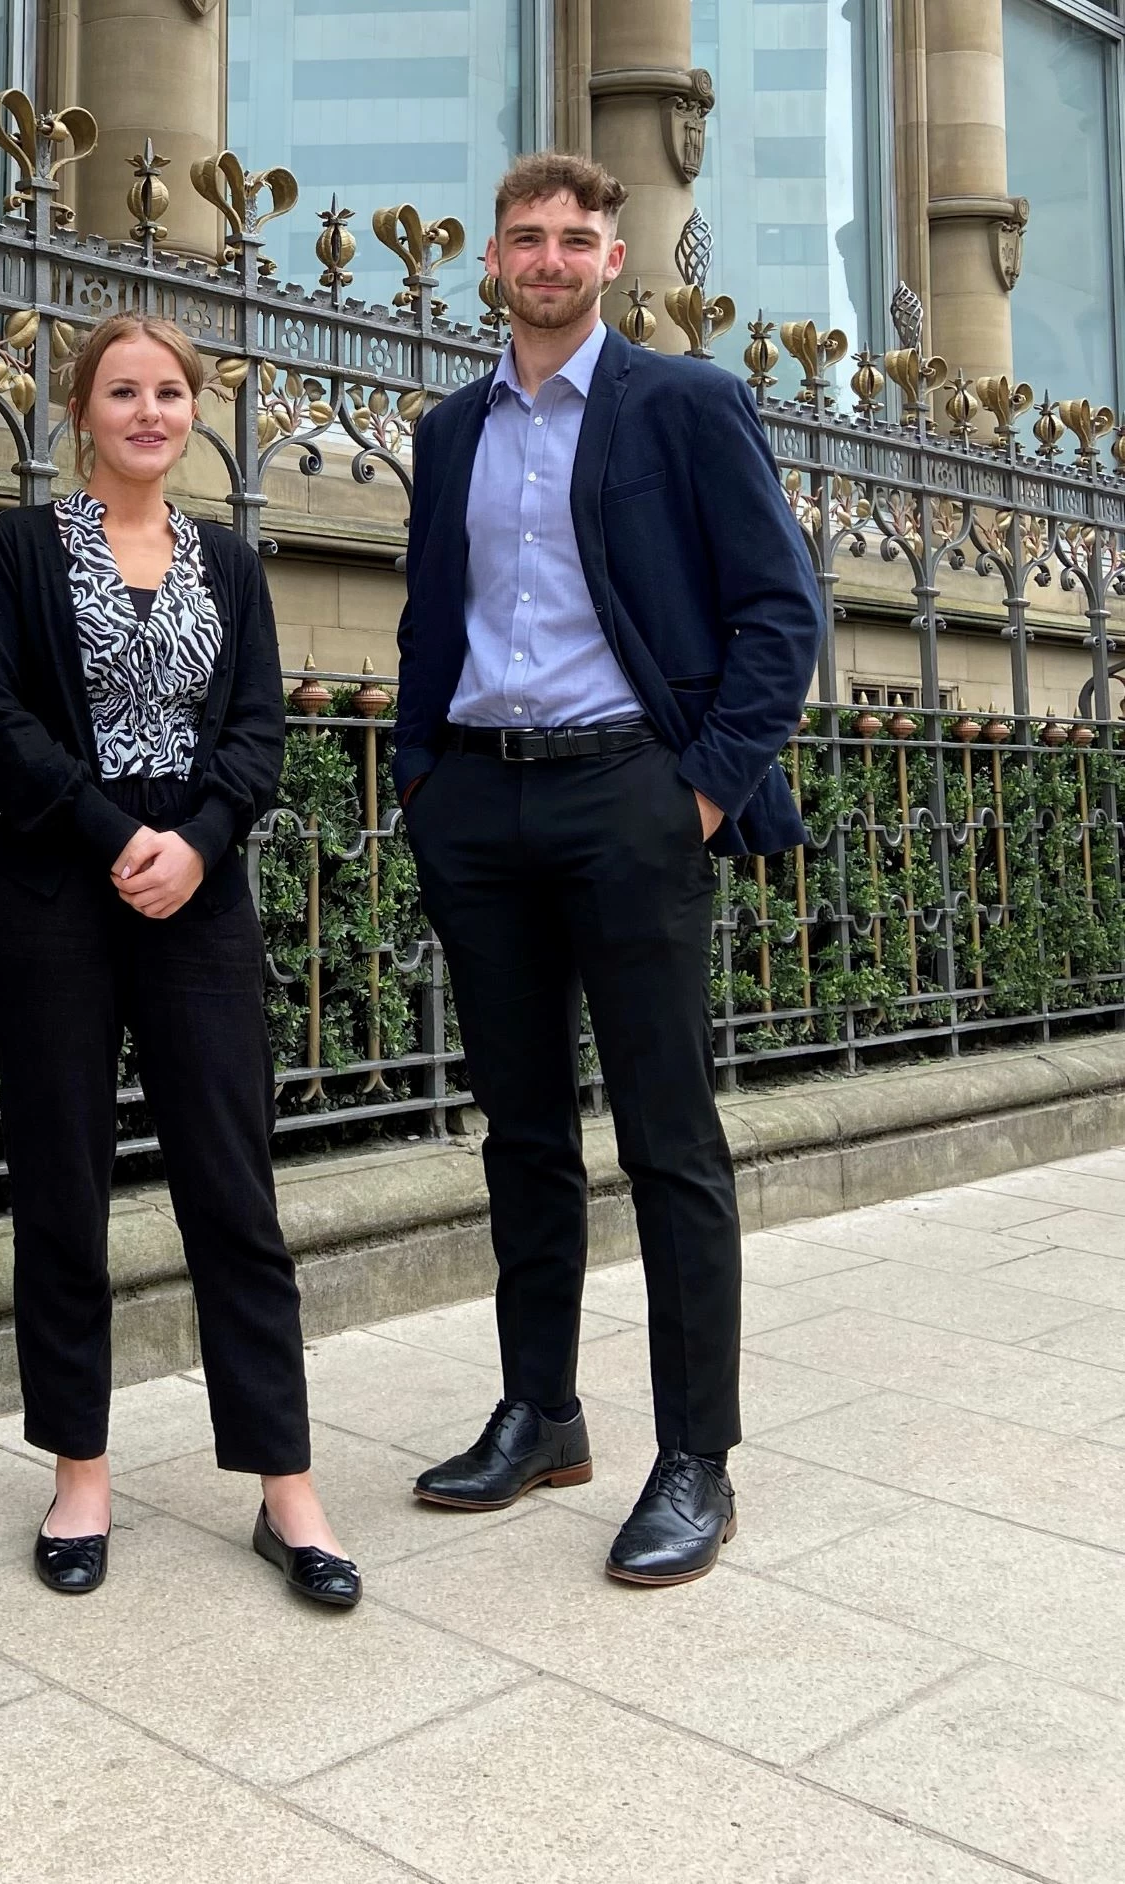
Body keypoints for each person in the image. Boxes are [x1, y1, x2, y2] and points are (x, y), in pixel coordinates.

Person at [391, 154, 820, 1586]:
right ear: (492, 258)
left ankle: (695, 1456)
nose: (550, 259)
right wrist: (422, 780)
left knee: (665, 1139)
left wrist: (699, 791)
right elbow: (430, 617)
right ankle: (542, 1415)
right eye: (527, 237)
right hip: (480, 802)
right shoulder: (451, 429)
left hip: (629, 798)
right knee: (520, 1132)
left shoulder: (682, 402)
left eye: (576, 239)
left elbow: (780, 612)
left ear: (613, 260)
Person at [0, 313, 359, 1609]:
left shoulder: (229, 563)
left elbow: (258, 732)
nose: (148, 411)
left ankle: (287, 1487)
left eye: (170, 392)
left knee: (234, 1191)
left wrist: (194, 843)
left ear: (193, 413)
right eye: (123, 390)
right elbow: (0, 719)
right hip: (54, 895)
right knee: (62, 1189)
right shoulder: (19, 550)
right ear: (83, 409)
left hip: (200, 897)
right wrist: (112, 833)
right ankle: (79, 1474)